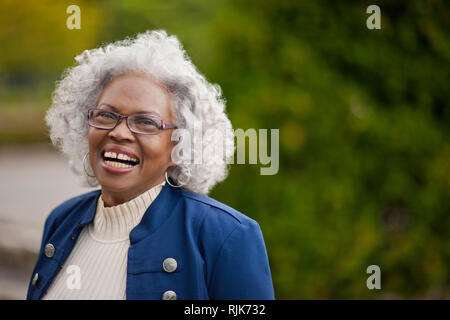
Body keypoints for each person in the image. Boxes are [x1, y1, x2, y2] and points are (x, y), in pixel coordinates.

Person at [26, 30, 274, 300]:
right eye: (106, 115)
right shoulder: (62, 220)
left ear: (179, 146)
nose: (120, 133)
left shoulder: (226, 235)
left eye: (146, 122)